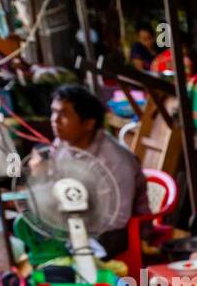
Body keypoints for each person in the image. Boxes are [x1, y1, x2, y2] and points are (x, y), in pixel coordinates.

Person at [48, 84, 150, 258]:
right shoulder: (62, 146)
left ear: (88, 124)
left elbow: (117, 218)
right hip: (79, 222)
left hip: (117, 232)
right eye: (54, 112)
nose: (55, 120)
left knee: (71, 253)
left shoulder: (114, 161)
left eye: (64, 114)